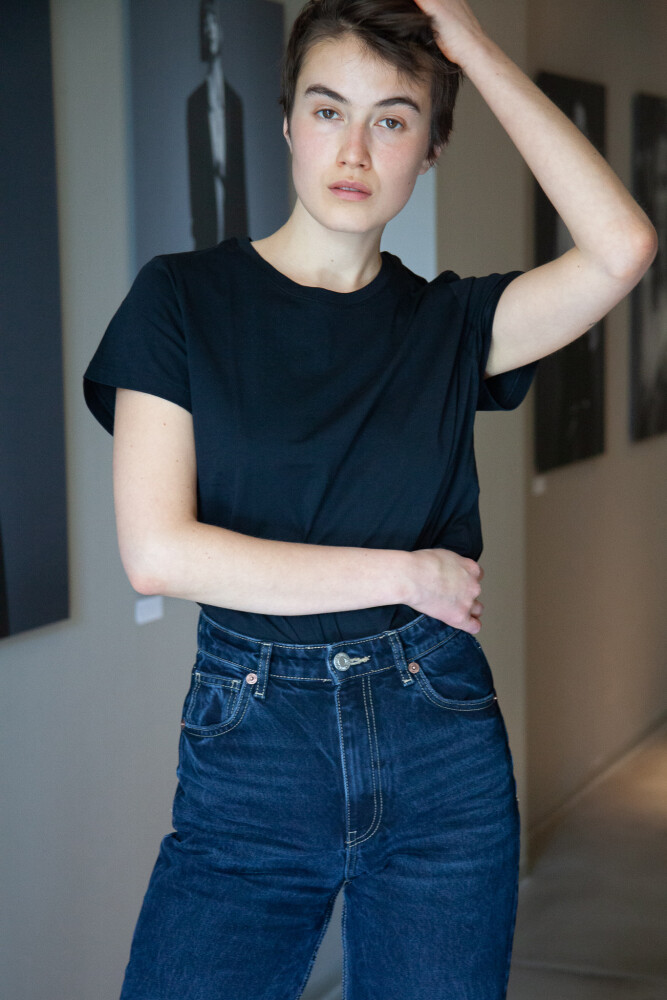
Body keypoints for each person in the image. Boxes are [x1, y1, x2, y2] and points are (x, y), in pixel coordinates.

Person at [83, 1, 657, 997]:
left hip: (438, 739)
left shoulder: (452, 324)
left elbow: (622, 248)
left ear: (431, 149)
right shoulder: (178, 301)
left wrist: (468, 42)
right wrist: (404, 573)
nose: (353, 149)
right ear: (285, 122)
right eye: (327, 110)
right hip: (252, 743)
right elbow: (158, 553)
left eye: (392, 119)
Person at [187, 0, 248, 247]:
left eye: (213, 23)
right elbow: (195, 177)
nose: (209, 31)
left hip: (234, 224)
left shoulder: (234, 102)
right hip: (206, 223)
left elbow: (240, 181)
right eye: (205, 25)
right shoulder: (195, 103)